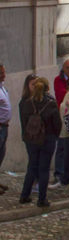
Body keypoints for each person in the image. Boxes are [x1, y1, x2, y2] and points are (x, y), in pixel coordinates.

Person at [19, 77, 61, 207]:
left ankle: (24, 195)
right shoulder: (51, 104)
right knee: (44, 169)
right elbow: (57, 124)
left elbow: (24, 122)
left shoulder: (27, 103)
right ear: (47, 88)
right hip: (47, 139)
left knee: (32, 166)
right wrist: (55, 136)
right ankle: (42, 199)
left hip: (32, 139)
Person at [53, 59, 69, 181]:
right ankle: (58, 172)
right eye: (68, 68)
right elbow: (61, 95)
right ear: (64, 68)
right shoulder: (59, 80)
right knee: (61, 145)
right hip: (62, 116)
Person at [0, 63, 11, 193]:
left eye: (4, 72)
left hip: (4, 127)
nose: (4, 75)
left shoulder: (2, 87)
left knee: (1, 155)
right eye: (1, 73)